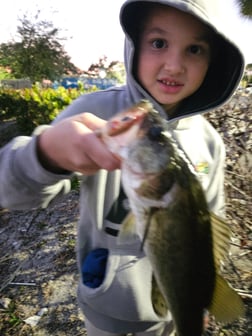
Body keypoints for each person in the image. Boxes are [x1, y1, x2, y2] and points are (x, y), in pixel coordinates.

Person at [0, 1, 244, 335]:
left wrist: (199, 302)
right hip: (105, 310)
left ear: (213, 60)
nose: (174, 65)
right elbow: (11, 194)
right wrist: (45, 153)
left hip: (172, 315)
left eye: (195, 49)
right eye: (159, 43)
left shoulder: (211, 142)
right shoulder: (93, 111)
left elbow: (212, 221)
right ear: (134, 45)